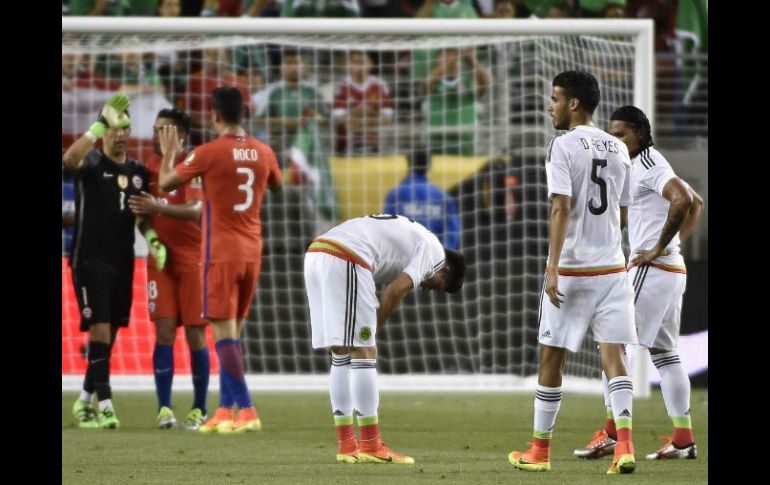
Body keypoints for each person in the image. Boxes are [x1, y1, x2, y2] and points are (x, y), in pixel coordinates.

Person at [507, 71, 638, 474]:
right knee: (614, 357)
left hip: (573, 270)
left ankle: (539, 451)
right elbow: (622, 214)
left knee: (552, 358)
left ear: (573, 104)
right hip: (613, 267)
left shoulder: (562, 145)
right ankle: (624, 447)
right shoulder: (619, 147)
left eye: (555, 98)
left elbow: (561, 206)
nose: (551, 106)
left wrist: (552, 267)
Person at [573, 105, 703, 461]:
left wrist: (658, 248)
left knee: (611, 344)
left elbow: (684, 200)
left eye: (622, 134)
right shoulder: (643, 164)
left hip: (653, 268)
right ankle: (683, 440)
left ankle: (612, 434)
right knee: (665, 354)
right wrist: (672, 246)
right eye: (612, 134)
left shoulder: (648, 163)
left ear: (640, 135)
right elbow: (697, 203)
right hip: (670, 270)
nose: (615, 140)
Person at [157, 87, 282, 433]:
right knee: (234, 334)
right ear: (244, 113)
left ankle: (248, 409)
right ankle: (226, 411)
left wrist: (169, 155)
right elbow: (277, 186)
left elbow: (166, 183)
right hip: (253, 251)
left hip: (222, 253)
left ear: (214, 115)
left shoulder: (208, 153)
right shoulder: (264, 151)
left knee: (223, 335)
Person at [304, 214, 466, 464]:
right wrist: (374, 328)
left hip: (317, 252)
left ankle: (347, 445)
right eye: (436, 285)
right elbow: (394, 291)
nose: (427, 289)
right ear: (444, 270)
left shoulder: (416, 236)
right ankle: (371, 445)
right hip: (347, 256)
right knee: (365, 351)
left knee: (340, 352)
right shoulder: (434, 253)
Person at [63, 93, 148, 429]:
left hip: (123, 261)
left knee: (108, 334)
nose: (120, 134)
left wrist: (154, 240)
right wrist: (97, 125)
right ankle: (107, 405)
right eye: (113, 127)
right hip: (89, 261)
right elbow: (68, 160)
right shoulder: (91, 163)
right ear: (104, 131)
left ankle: (84, 401)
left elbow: (144, 215)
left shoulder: (138, 172)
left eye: (125, 127)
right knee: (99, 328)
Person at [127, 108, 211, 430]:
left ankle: (199, 408)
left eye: (164, 129)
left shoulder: (192, 164)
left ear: (181, 136)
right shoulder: (147, 167)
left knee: (195, 334)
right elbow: (141, 214)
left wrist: (158, 206)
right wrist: (151, 238)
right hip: (160, 260)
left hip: (193, 260)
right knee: (163, 331)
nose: (155, 134)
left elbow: (195, 209)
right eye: (155, 128)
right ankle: (164, 407)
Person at [383, 150, 461, 249]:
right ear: (429, 165)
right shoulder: (442, 197)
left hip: (403, 256)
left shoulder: (395, 195)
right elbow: (452, 234)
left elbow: (387, 230)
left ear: (409, 164)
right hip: (434, 255)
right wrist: (441, 254)